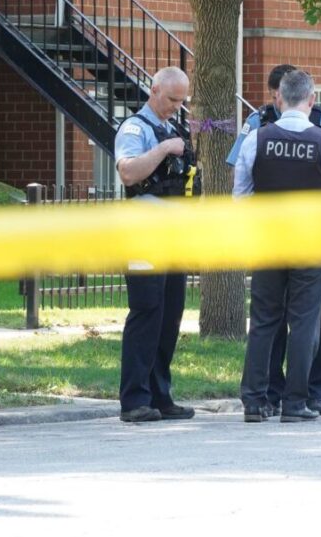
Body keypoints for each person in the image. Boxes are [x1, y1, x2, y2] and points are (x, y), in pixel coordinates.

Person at [228, 64, 321, 418]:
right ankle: (295, 403)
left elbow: (241, 198)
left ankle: (254, 401)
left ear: (279, 98)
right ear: (312, 99)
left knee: (264, 321)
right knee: (304, 322)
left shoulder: (256, 138)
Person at [113, 66, 198, 423]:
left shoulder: (174, 128)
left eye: (182, 101)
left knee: (170, 315)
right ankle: (134, 400)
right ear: (154, 89)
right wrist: (164, 148)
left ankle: (161, 396)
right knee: (147, 312)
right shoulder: (136, 128)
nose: (177, 107)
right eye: (172, 99)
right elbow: (128, 172)